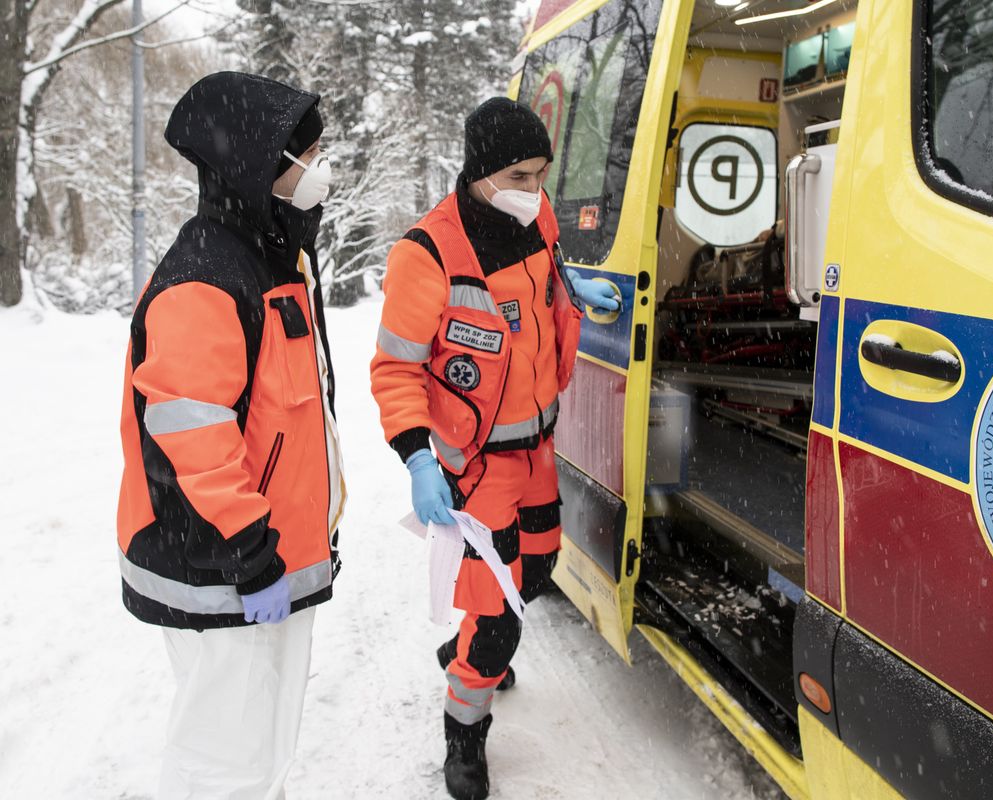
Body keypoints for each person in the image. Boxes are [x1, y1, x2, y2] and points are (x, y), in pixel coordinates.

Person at [370, 97, 619, 800]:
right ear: (481, 170)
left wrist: (575, 288)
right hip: (476, 469)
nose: (534, 189)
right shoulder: (427, 254)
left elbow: (546, 280)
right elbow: (395, 369)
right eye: (518, 173)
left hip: (538, 446)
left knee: (537, 570)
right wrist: (418, 456)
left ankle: (473, 644)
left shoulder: (534, 217)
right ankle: (465, 733)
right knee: (499, 614)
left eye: (541, 173)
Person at [115, 71, 345, 799]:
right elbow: (194, 435)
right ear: (260, 166)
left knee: (261, 750)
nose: (320, 169)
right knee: (222, 763)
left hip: (265, 565)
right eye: (308, 155)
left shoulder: (270, 254)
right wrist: (250, 551)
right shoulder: (207, 278)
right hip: (224, 570)